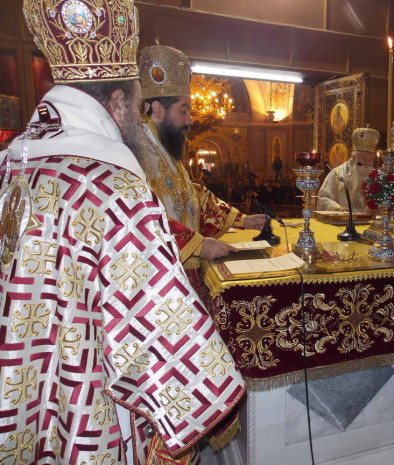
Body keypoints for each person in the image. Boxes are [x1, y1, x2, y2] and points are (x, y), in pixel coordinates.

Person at [0, 1, 245, 464]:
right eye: (135, 101)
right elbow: (159, 348)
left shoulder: (13, 163)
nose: (136, 114)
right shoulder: (111, 185)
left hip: (22, 380)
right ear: (117, 101)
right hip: (90, 393)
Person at [135, 45, 266, 295]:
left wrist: (242, 220)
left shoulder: (164, 147)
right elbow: (137, 215)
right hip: (158, 279)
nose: (191, 120)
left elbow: (190, 195)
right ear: (158, 109)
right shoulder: (134, 152)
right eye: (183, 111)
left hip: (183, 269)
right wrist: (196, 245)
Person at [317, 126, 380, 213]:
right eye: (364, 158)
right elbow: (324, 197)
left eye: (370, 159)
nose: (367, 162)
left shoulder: (377, 177)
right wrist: (337, 208)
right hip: (343, 220)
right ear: (354, 157)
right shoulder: (337, 174)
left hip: (369, 220)